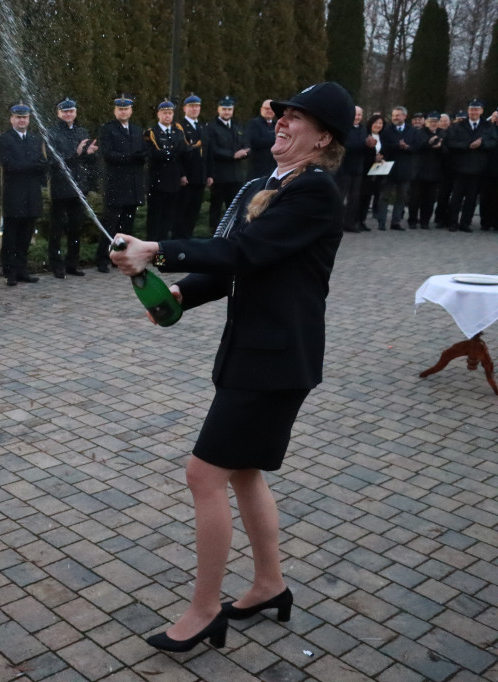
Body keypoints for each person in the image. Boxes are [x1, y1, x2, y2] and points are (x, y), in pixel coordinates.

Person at [111, 81, 353, 653]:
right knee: (243, 471)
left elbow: (247, 252)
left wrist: (156, 248)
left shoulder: (315, 191)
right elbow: (232, 268)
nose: (282, 121)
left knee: (204, 474)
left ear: (324, 138)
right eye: (282, 113)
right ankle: (269, 585)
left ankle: (204, 612)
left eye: (297, 117)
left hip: (276, 361)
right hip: (255, 354)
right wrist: (179, 292)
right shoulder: (268, 184)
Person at [0, 102, 48, 286]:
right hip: (14, 194)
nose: (22, 120)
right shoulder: (5, 139)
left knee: (26, 235)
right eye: (18, 117)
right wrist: (33, 166)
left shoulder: (35, 139)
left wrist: (39, 167)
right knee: (11, 236)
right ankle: (10, 272)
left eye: (25, 117)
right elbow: (10, 165)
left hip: (32, 194)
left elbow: (42, 163)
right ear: (12, 119)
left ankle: (22, 270)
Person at [47, 97, 97, 278]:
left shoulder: (82, 131)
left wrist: (89, 154)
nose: (68, 114)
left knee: (76, 227)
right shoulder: (52, 132)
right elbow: (54, 161)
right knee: (57, 228)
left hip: (78, 187)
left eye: (71, 111)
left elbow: (87, 161)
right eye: (65, 111)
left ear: (76, 112)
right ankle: (56, 264)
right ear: (58, 113)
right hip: (61, 186)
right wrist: (76, 154)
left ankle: (72, 263)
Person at [96, 93, 147, 272]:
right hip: (116, 183)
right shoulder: (108, 129)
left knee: (127, 224)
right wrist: (130, 157)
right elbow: (108, 154)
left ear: (131, 111)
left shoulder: (136, 129)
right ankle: (102, 258)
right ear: (115, 111)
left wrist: (143, 156)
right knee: (111, 223)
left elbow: (142, 151)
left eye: (126, 109)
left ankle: (121, 257)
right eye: (120, 109)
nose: (123, 112)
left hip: (133, 184)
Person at [446, 99, 497, 233]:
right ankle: (453, 222)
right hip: (460, 167)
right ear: (468, 111)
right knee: (456, 197)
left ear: (481, 111)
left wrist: (482, 144)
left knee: (471, 198)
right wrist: (468, 145)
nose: (473, 112)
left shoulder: (488, 126)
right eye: (471, 109)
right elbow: (451, 142)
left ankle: (465, 223)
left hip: (478, 168)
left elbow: (493, 142)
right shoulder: (458, 126)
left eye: (476, 109)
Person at [376, 105, 424, 231]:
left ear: (404, 116)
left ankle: (396, 221)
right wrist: (398, 145)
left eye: (398, 115)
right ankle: (381, 221)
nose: (395, 118)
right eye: (393, 115)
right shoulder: (386, 130)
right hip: (389, 168)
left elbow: (418, 147)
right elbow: (384, 146)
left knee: (401, 197)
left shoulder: (413, 131)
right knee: (384, 196)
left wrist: (407, 147)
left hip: (405, 168)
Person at [206, 96, 250, 231]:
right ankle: (214, 232)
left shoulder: (237, 126)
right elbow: (213, 149)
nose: (227, 112)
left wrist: (246, 151)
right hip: (220, 175)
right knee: (216, 206)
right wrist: (232, 155)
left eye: (229, 109)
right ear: (218, 110)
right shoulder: (212, 127)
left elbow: (246, 144)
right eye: (224, 109)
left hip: (236, 175)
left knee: (235, 207)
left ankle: (232, 231)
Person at [144, 100, 186, 241]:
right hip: (158, 182)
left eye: (170, 113)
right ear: (158, 114)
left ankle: (163, 250)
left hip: (173, 182)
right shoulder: (152, 132)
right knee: (154, 220)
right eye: (164, 113)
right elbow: (153, 154)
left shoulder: (177, 132)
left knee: (168, 220)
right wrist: (170, 153)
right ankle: (152, 249)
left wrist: (168, 153)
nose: (167, 116)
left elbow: (181, 153)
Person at [408, 112, 445, 230]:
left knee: (430, 199)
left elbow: (447, 151)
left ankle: (425, 221)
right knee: (415, 197)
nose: (433, 124)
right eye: (431, 121)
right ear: (426, 122)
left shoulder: (442, 133)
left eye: (435, 121)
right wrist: (428, 143)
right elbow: (415, 147)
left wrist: (440, 147)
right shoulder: (419, 132)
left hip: (434, 171)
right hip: (419, 170)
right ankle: (412, 220)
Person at [176, 94, 206, 238]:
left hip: (200, 176)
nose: (194, 109)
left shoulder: (202, 126)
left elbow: (208, 152)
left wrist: (209, 174)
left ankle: (188, 240)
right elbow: (179, 154)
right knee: (182, 213)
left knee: (194, 213)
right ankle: (179, 241)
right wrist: (182, 174)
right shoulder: (180, 126)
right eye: (191, 106)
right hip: (187, 177)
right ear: (185, 108)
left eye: (197, 106)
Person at [337, 106, 367, 232]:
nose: (357, 117)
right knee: (340, 196)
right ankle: (336, 222)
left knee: (354, 198)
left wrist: (369, 146)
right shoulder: (344, 128)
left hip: (358, 168)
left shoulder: (363, 129)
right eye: (355, 114)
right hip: (345, 167)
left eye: (359, 115)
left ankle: (350, 223)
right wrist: (364, 144)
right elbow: (346, 145)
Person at [359, 113, 386, 229]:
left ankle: (362, 220)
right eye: (376, 122)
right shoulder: (365, 135)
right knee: (361, 196)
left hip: (377, 171)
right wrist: (373, 158)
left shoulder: (382, 137)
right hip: (364, 170)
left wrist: (382, 159)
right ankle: (356, 220)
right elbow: (363, 154)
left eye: (380, 123)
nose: (378, 125)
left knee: (368, 196)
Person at [245, 99, 277, 179]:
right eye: (267, 108)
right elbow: (254, 141)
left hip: (274, 167)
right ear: (261, 109)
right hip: (258, 167)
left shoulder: (276, 125)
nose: (269, 111)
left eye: (272, 109)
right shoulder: (254, 123)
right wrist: (274, 139)